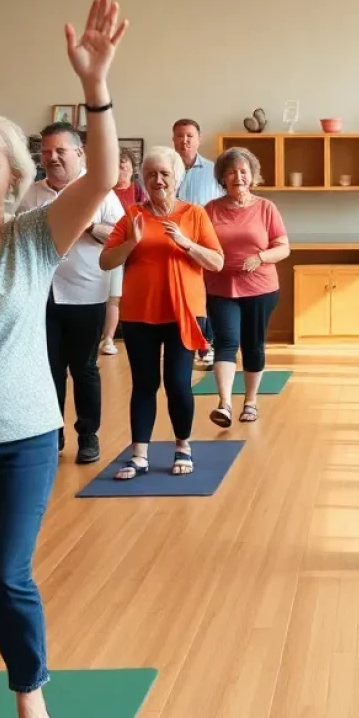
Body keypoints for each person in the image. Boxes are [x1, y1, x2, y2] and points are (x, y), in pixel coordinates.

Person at [0, 0, 126, 718]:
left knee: (7, 574)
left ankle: (29, 691)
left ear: (13, 176)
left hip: (22, 436)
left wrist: (95, 88)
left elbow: (102, 178)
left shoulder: (34, 238)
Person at [100, 146, 224, 479]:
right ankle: (139, 454)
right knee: (144, 383)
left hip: (184, 310)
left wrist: (187, 244)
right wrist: (131, 243)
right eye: (151, 174)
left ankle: (183, 446)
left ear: (176, 178)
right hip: (140, 312)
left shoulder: (194, 214)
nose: (158, 180)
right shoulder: (132, 216)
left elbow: (217, 261)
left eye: (165, 174)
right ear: (144, 178)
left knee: (178, 383)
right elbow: (106, 261)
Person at [18, 122, 124, 464]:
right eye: (46, 152)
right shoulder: (31, 194)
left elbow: (123, 239)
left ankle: (88, 435)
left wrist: (88, 224)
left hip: (85, 293)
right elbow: (17, 240)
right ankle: (54, 433)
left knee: (84, 369)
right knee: (49, 368)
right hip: (41, 295)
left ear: (79, 154)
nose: (52, 158)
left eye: (60, 151)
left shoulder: (102, 194)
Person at [205, 148, 289, 427]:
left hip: (261, 288)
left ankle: (250, 401)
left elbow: (283, 248)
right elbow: (200, 246)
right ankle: (225, 403)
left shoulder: (266, 208)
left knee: (253, 345)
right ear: (222, 177)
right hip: (220, 288)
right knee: (226, 342)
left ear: (252, 176)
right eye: (231, 171)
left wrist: (261, 257)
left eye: (243, 171)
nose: (238, 176)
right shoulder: (211, 209)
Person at [173, 118, 223, 368]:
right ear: (173, 140)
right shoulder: (166, 169)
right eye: (180, 136)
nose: (184, 140)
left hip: (203, 245)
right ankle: (183, 344)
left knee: (205, 295)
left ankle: (206, 345)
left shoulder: (214, 171)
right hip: (172, 245)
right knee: (179, 295)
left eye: (189, 136)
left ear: (198, 139)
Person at [100, 147, 145, 356]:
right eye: (115, 164)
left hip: (136, 247)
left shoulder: (137, 190)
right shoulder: (104, 191)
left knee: (129, 293)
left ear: (131, 167)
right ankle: (107, 338)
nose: (119, 169)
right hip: (110, 246)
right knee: (112, 294)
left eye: (123, 164)